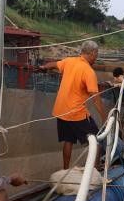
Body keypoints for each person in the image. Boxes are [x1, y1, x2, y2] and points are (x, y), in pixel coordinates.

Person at [40, 40, 107, 169]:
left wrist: (44, 67)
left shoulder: (69, 61)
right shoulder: (89, 71)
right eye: (96, 54)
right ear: (92, 53)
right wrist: (104, 117)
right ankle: (94, 172)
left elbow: (54, 64)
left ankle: (65, 170)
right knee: (97, 141)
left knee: (68, 141)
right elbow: (95, 97)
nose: (96, 57)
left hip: (61, 111)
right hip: (77, 113)